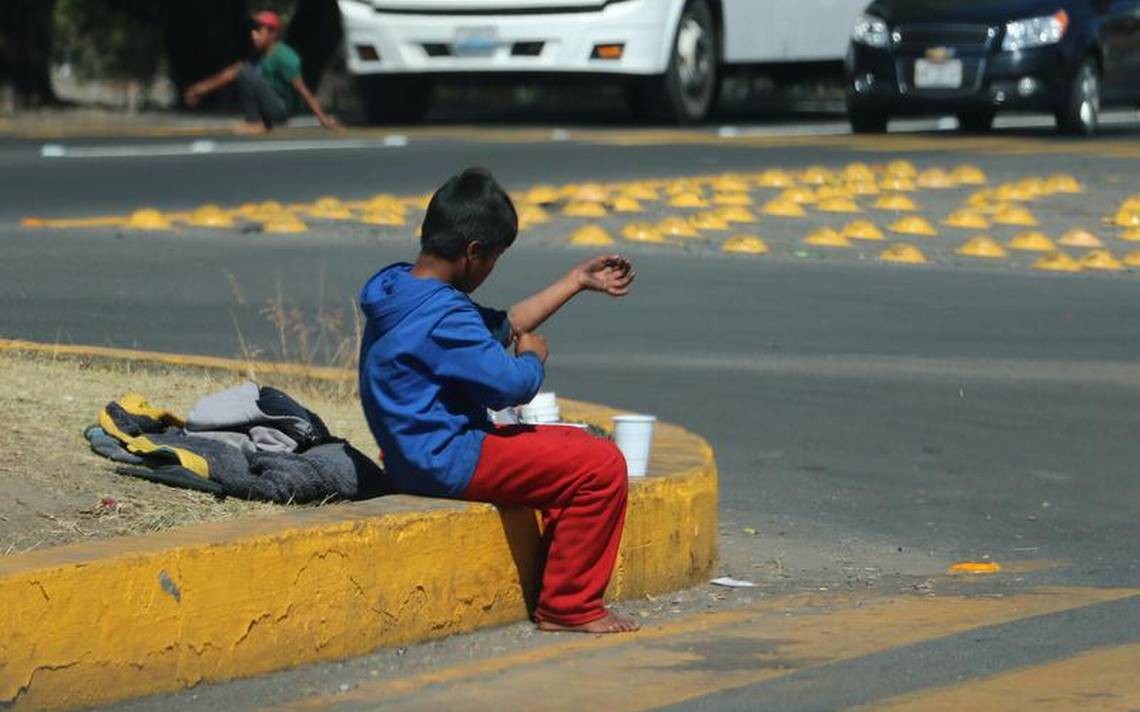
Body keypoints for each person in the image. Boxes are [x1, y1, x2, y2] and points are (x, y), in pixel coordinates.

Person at [358, 168, 640, 634]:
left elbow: (501, 325)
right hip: (449, 458)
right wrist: (533, 360)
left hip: (411, 453)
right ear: (473, 253)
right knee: (601, 464)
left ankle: (560, 576)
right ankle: (569, 605)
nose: (491, 271)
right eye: (494, 260)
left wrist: (574, 281)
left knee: (565, 447)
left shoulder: (400, 289)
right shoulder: (443, 315)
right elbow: (509, 385)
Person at [183, 10, 341, 135]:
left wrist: (324, 119)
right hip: (269, 106)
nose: (254, 35)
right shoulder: (259, 54)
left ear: (273, 34)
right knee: (243, 70)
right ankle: (255, 121)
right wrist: (200, 89)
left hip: (281, 109)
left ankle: (256, 123)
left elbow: (304, 91)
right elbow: (230, 73)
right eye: (254, 30)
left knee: (244, 71)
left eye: (259, 30)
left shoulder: (285, 56)